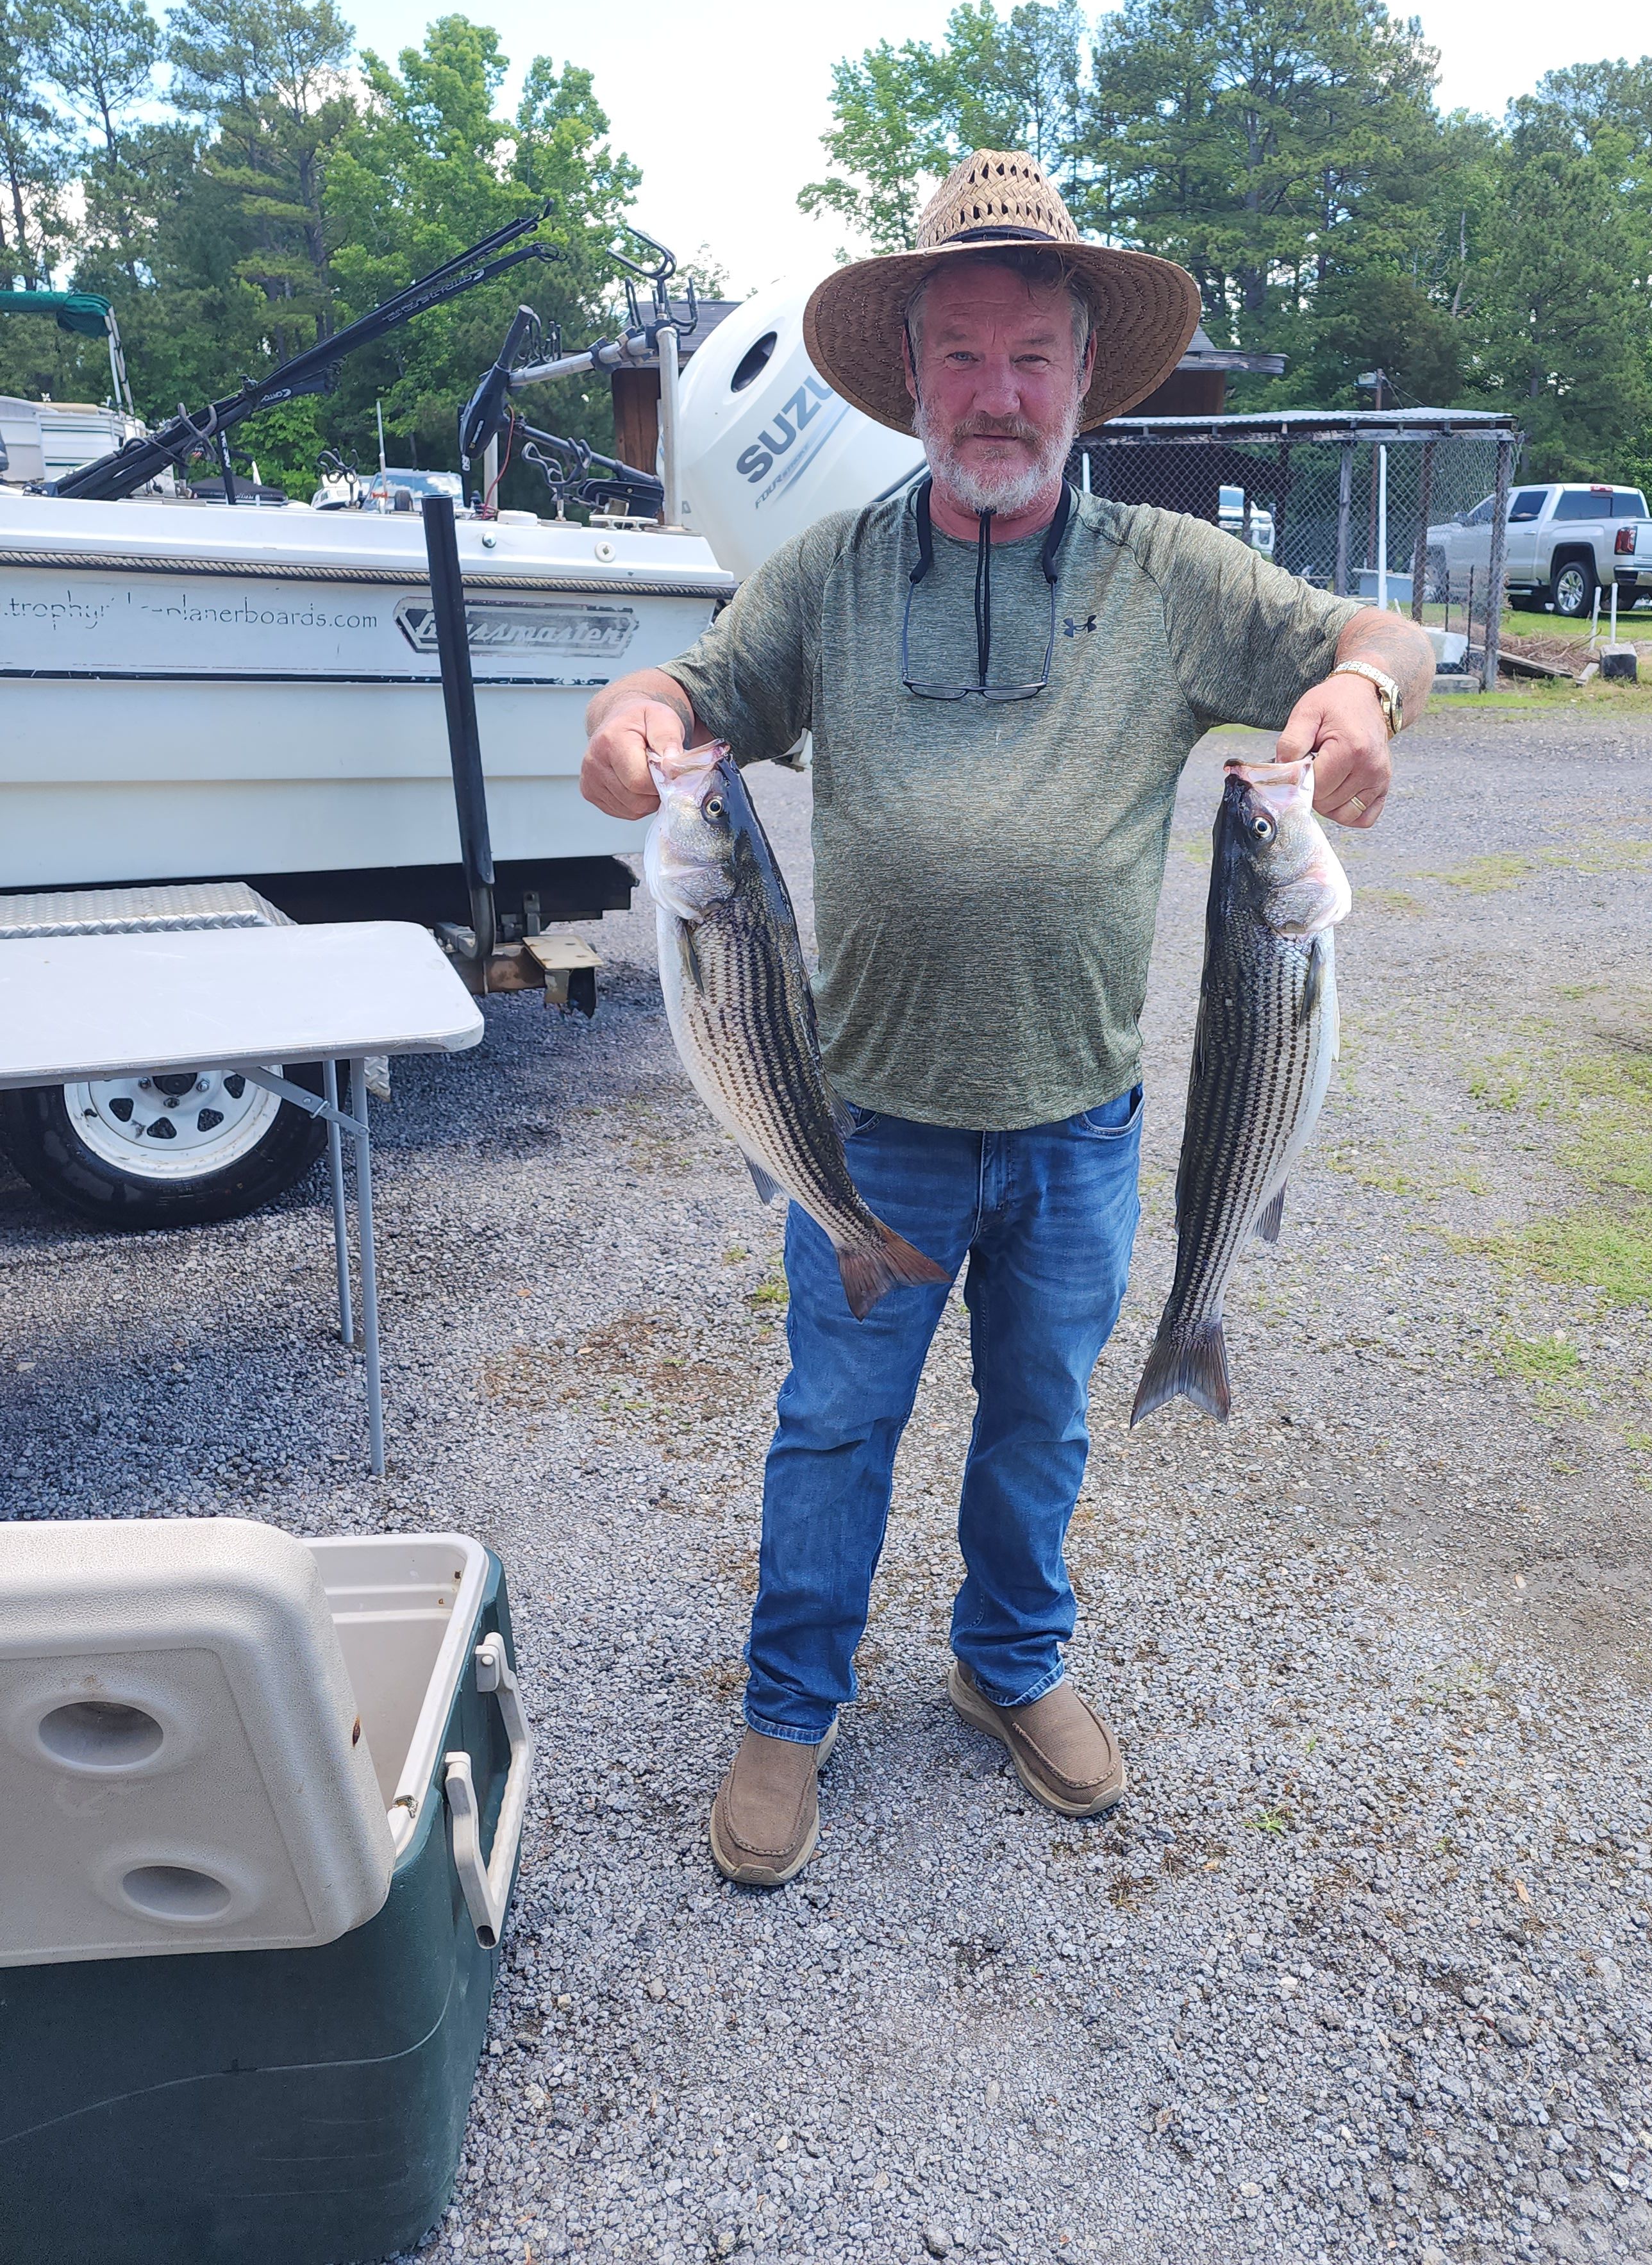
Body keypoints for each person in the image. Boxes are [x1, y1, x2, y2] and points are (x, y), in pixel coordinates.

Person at [581, 150, 1433, 1887]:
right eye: (959, 355)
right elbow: (693, 688)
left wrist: (1358, 689)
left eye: (1030, 356)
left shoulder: (1173, 575)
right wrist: (629, 714)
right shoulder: (826, 576)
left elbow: (1386, 635)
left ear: (1084, 373)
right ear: (909, 377)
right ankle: (789, 1705)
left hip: (1078, 1127)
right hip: (864, 1123)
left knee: (1041, 1422)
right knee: (834, 1426)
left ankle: (1010, 1664)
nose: (995, 394)